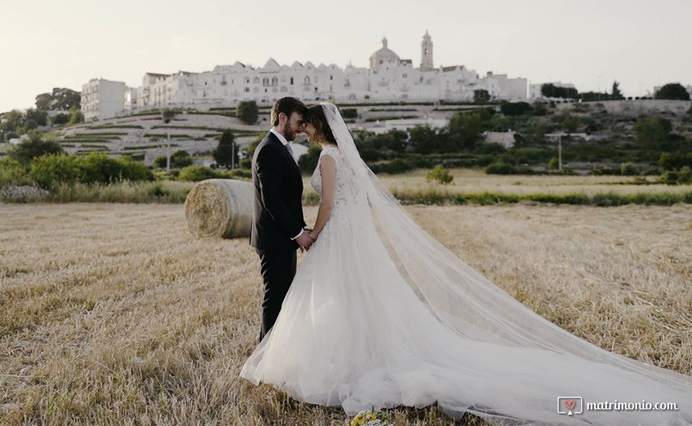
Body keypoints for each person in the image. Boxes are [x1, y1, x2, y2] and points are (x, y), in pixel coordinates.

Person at [241, 102, 692, 425]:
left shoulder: (329, 157)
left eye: (307, 125)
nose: (303, 130)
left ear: (318, 127)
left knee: (341, 299)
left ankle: (329, 360)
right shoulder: (336, 156)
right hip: (348, 239)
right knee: (359, 299)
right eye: (299, 124)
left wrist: (313, 234)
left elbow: (333, 204)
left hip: (337, 236)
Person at [250, 97, 313, 341]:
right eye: (298, 122)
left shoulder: (279, 148)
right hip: (275, 240)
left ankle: (272, 355)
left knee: (282, 299)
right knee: (274, 299)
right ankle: (264, 358)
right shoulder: (269, 149)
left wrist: (300, 227)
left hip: (282, 238)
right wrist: (298, 235)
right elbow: (272, 201)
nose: (301, 128)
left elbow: (285, 198)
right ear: (283, 117)